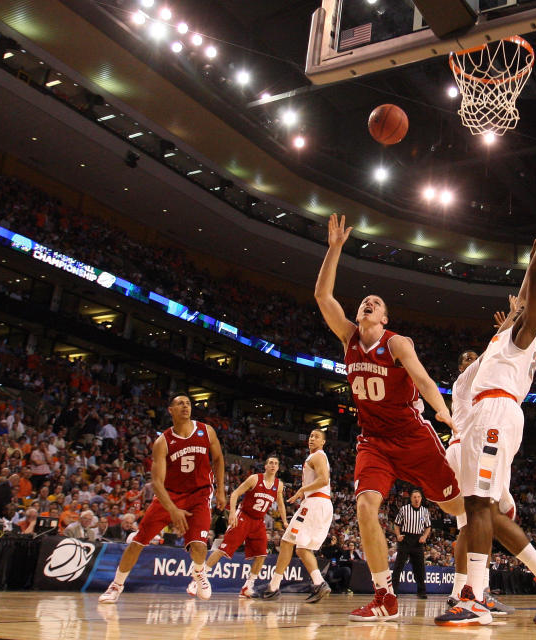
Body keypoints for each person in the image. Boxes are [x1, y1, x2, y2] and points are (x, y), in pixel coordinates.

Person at [436, 190, 536, 627]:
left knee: (478, 505)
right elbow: (522, 288)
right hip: (486, 415)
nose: (518, 305)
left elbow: (534, 284)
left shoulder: (525, 335)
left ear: (535, 318)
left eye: (525, 309)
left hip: (496, 415)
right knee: (485, 511)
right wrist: (530, 258)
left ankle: (475, 596)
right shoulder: (504, 336)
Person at [314, 214, 464, 621]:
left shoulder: (397, 343)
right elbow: (324, 298)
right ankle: (385, 597)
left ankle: (487, 534)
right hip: (374, 441)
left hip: (413, 436)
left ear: (384, 319)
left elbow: (424, 379)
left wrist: (443, 411)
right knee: (365, 505)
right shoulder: (348, 338)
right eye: (366, 301)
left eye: (376, 304)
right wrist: (334, 249)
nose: (368, 303)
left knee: (457, 509)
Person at [98, 394, 226, 603]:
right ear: (170, 410)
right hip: (170, 496)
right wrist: (173, 509)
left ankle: (199, 573)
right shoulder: (163, 441)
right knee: (138, 542)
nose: (185, 406)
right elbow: (157, 482)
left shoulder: (206, 430)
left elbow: (219, 459)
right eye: (179, 403)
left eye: (187, 403)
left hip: (199, 495)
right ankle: (116, 585)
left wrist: (220, 490)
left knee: (200, 546)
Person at [445, 347, 515, 615]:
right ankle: (479, 592)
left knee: (468, 526)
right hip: (466, 449)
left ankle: (460, 591)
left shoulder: (480, 389)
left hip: (460, 450)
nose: (472, 361)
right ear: (462, 367)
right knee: (483, 518)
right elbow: (492, 354)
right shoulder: (466, 382)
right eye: (467, 359)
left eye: (473, 358)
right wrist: (508, 324)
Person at [187, 456, 287, 598]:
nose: (273, 465)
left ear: (278, 468)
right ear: (265, 466)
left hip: (258, 521)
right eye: (270, 462)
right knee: (223, 550)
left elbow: (281, 505)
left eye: (276, 463)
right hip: (244, 516)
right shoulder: (254, 479)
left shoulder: (279, 485)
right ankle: (196, 581)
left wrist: (285, 522)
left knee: (262, 555)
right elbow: (235, 494)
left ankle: (248, 586)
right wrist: (232, 513)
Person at [261, 429, 335, 603]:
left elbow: (324, 480)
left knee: (287, 542)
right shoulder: (318, 457)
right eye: (310, 436)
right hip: (320, 504)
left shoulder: (317, 456)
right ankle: (318, 583)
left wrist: (302, 490)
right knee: (301, 548)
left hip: (315, 504)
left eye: (316, 437)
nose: (312, 439)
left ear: (323, 442)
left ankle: (273, 587)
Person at [391, 489, 432, 598]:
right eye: (414, 497)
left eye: (418, 497)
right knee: (398, 566)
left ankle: (421, 592)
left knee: (420, 567)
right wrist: (398, 535)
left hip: (418, 541)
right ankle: (393, 591)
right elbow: (396, 524)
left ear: (421, 498)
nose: (416, 499)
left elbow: (428, 527)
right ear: (411, 498)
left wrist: (424, 536)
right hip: (405, 539)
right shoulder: (404, 509)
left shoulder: (425, 511)